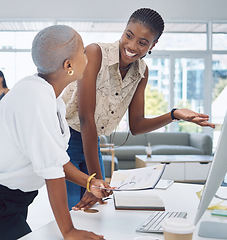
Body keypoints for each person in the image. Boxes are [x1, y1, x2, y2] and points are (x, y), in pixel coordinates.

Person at [62, 8, 215, 210]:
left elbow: (137, 125)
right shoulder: (95, 53)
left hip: (92, 142)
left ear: (153, 44)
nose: (132, 46)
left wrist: (173, 114)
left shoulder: (142, 72)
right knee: (73, 211)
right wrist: (96, 181)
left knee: (94, 211)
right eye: (129, 36)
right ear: (124, 30)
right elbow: (85, 119)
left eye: (143, 43)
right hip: (66, 140)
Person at [0, 25, 112, 240]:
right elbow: (52, 171)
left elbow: (57, 159)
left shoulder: (51, 98)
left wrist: (90, 182)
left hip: (14, 201)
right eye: (82, 51)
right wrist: (69, 231)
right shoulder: (35, 96)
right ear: (68, 65)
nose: (86, 57)